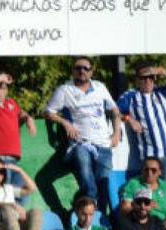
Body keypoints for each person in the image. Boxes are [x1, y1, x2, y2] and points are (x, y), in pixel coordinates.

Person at [44, 56, 123, 214]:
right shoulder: (65, 90)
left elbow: (115, 111)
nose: (82, 71)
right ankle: (91, 204)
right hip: (80, 144)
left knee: (103, 183)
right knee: (86, 173)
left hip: (103, 144)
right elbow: (47, 112)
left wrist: (116, 133)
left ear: (91, 71)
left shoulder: (100, 87)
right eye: (78, 68)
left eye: (86, 68)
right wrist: (65, 123)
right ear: (73, 71)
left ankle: (98, 217)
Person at [117, 62, 166, 185]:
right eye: (143, 78)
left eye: (151, 77)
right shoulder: (131, 96)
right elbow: (114, 110)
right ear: (137, 80)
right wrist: (129, 119)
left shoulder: (163, 93)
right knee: (149, 191)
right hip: (149, 156)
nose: (147, 81)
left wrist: (161, 71)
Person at [119, 156, 166, 224]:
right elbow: (124, 209)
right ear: (141, 170)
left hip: (162, 224)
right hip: (139, 223)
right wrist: (144, 207)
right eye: (146, 169)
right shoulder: (133, 184)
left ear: (160, 172)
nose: (149, 173)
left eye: (153, 170)